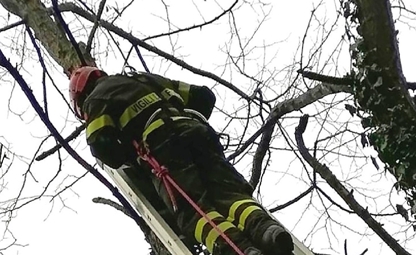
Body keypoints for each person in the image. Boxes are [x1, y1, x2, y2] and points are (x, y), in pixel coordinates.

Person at [69, 66, 294, 255]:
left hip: (161, 145)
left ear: (81, 96)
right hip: (197, 131)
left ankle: (240, 250)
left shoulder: (96, 99)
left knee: (193, 213)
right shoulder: (146, 79)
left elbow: (102, 146)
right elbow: (204, 96)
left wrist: (132, 155)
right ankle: (267, 231)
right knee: (230, 195)